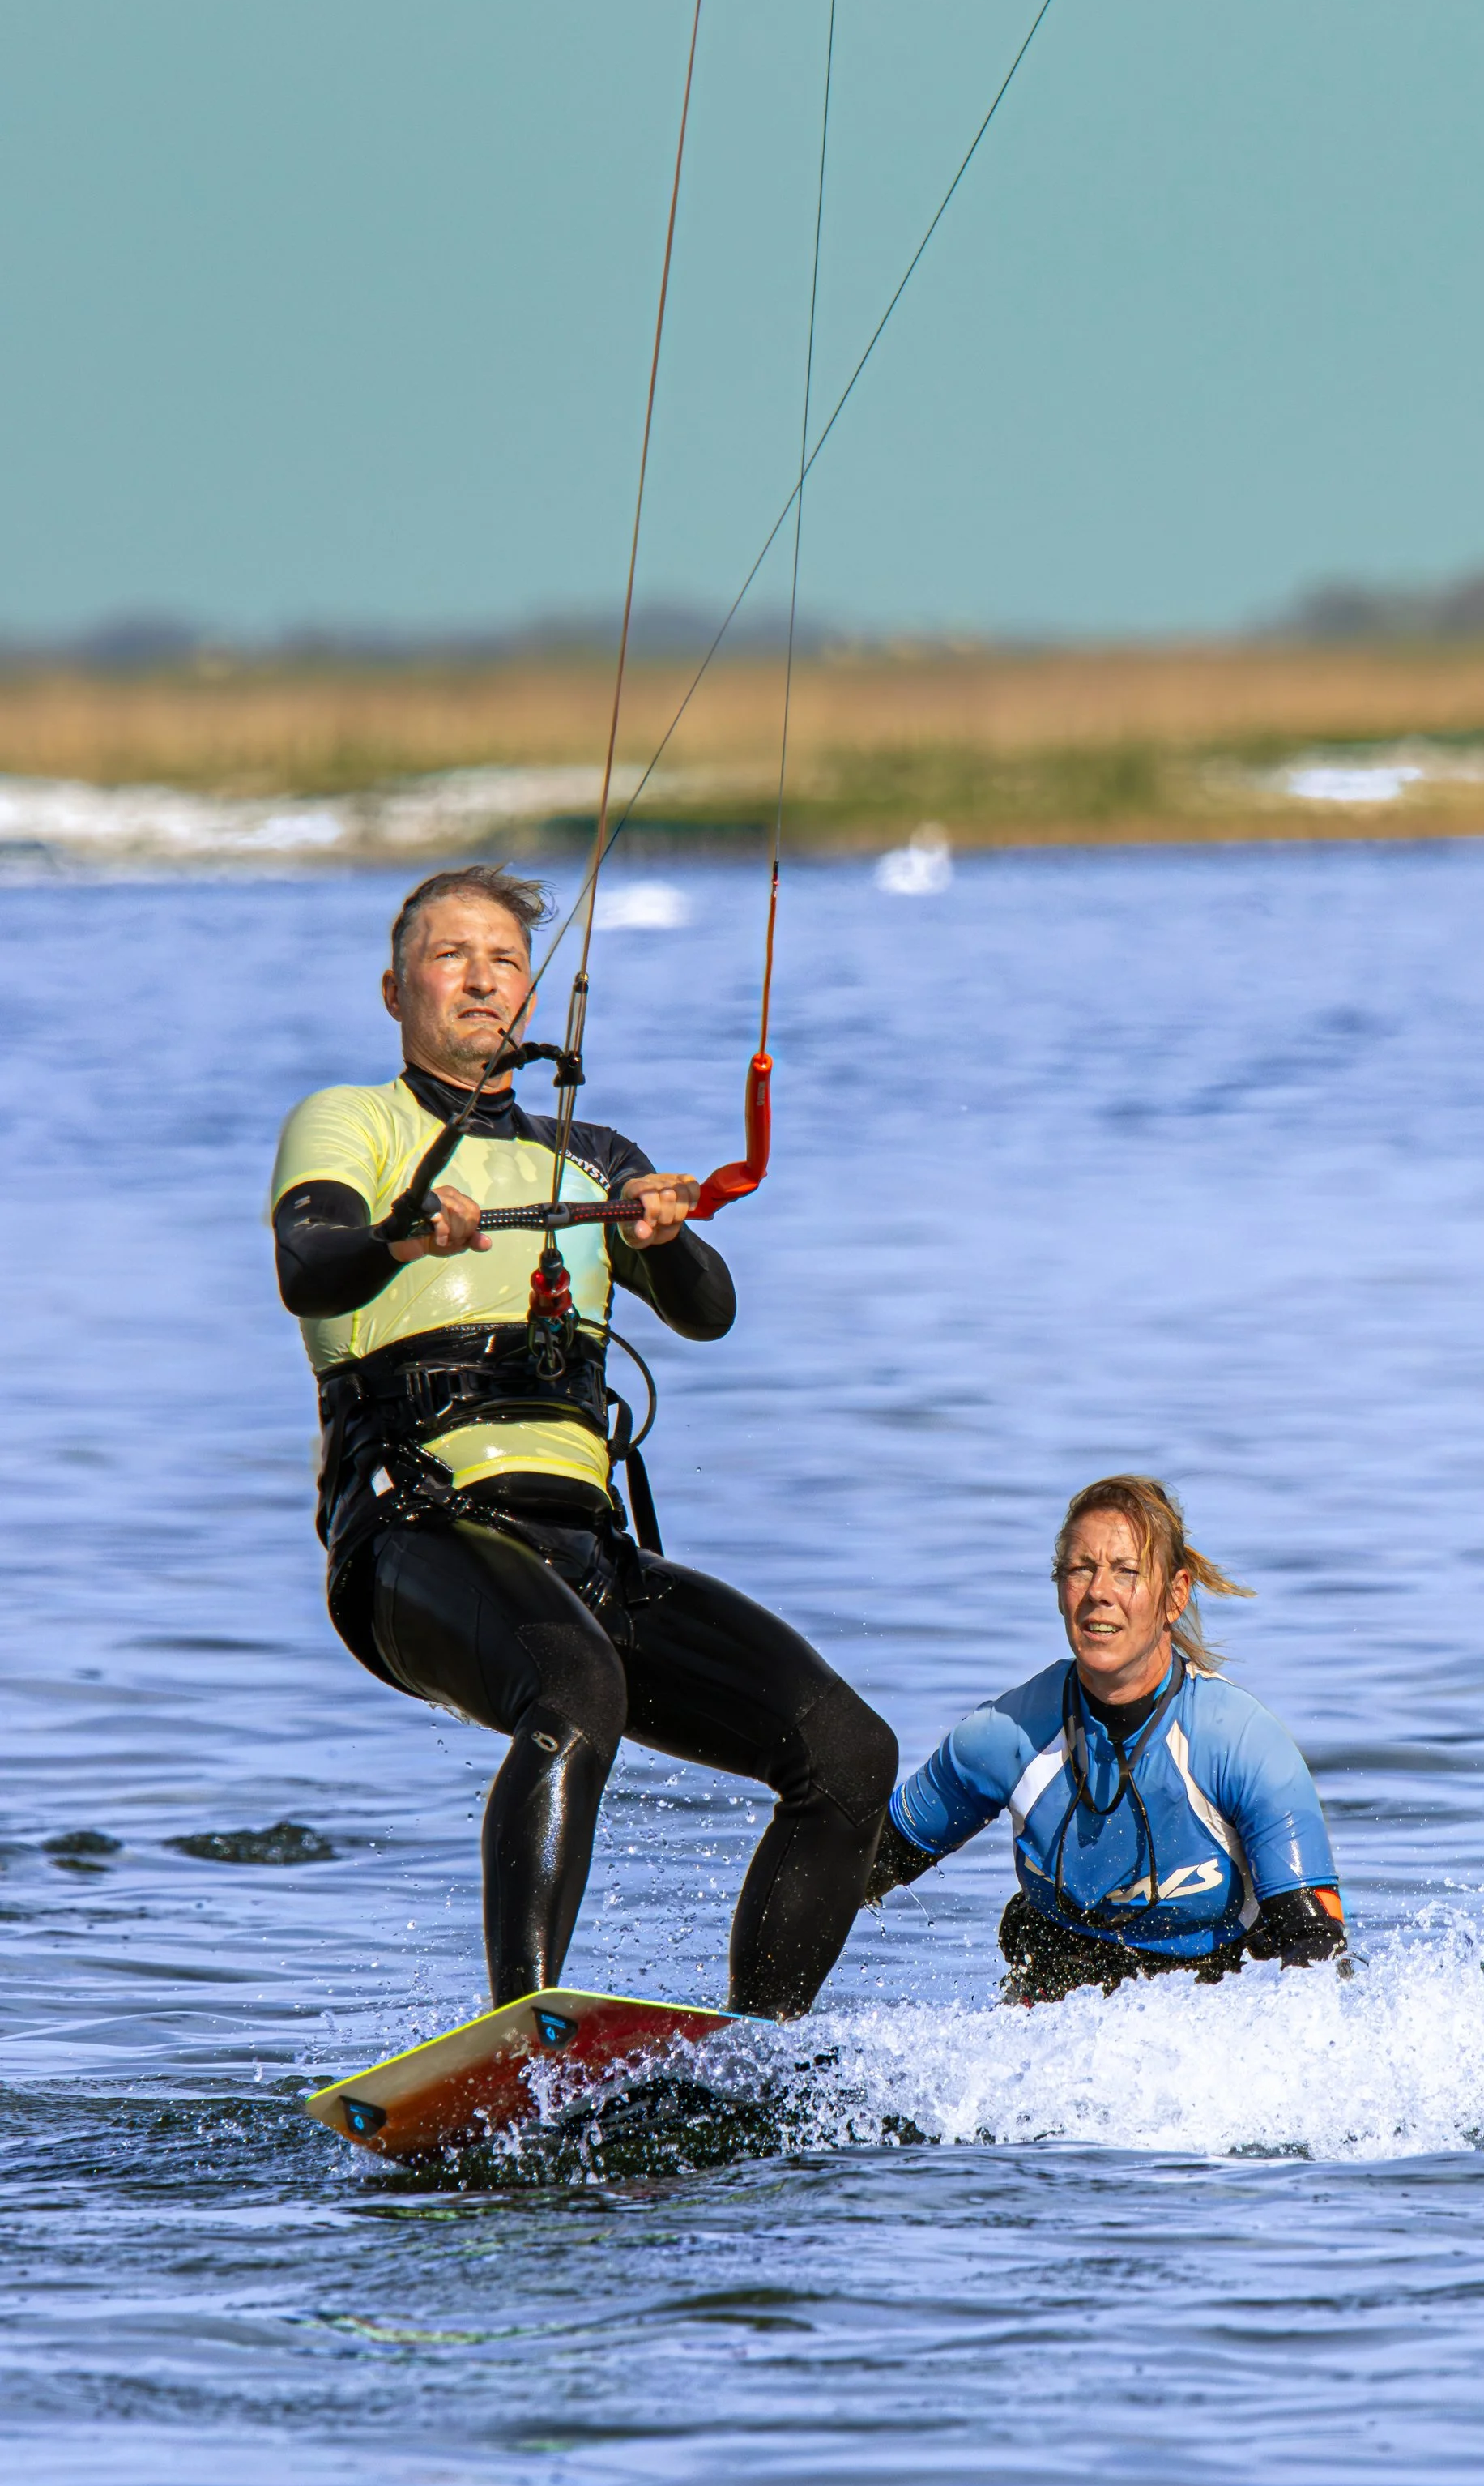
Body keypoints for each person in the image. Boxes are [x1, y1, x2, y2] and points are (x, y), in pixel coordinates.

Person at [268, 861, 896, 2018]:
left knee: (848, 1753)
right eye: (450, 955)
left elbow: (709, 1311)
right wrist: (403, 1232)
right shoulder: (353, 1121)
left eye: (504, 959)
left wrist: (662, 1235)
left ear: (533, 994)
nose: (481, 977)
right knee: (575, 1688)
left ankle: (756, 2051)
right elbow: (307, 1261)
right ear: (396, 986)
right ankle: (522, 2029)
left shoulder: (592, 1155)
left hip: (588, 1556)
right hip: (415, 1534)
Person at [871, 1475, 1346, 2000]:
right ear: (1059, 1591)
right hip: (1056, 2014)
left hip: (1219, 2008)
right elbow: (848, 1871)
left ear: (1175, 1595)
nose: (1099, 1592)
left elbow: (1317, 1954)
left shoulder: (1241, 1743)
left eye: (1126, 1572)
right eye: (1080, 1570)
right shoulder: (1004, 1737)